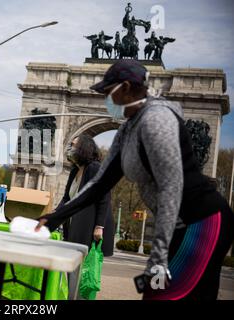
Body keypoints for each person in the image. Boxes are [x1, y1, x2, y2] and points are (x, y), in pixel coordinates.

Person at [36, 59, 234, 300]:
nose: (106, 99)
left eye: (109, 92)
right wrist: (54, 219)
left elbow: (171, 188)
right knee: (156, 294)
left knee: (163, 295)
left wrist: (159, 254)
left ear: (126, 88)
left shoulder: (157, 120)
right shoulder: (127, 130)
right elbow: (99, 185)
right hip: (179, 226)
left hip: (202, 222)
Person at [61, 132, 114, 299]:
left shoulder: (95, 168)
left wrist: (99, 226)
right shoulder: (74, 171)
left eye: (74, 145)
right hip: (74, 225)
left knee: (83, 271)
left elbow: (104, 197)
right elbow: (66, 198)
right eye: (71, 145)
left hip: (90, 226)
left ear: (84, 148)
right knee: (72, 268)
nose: (71, 148)